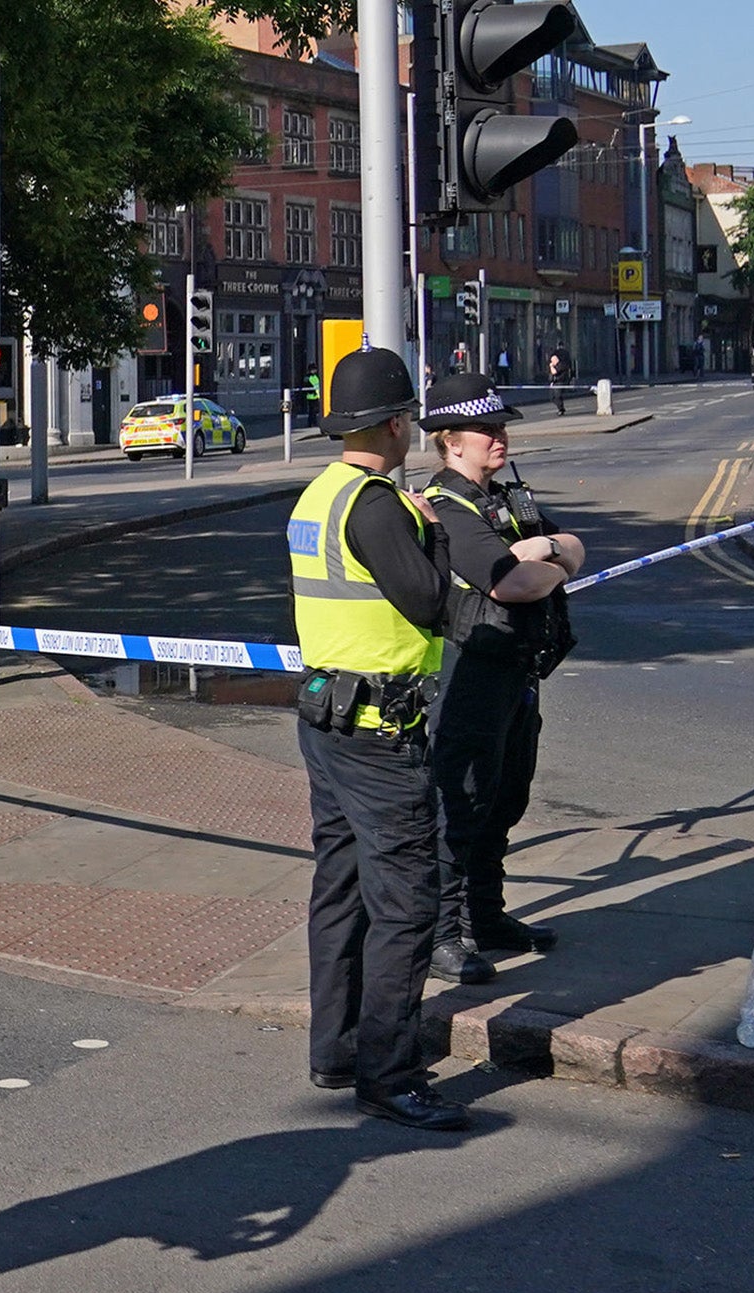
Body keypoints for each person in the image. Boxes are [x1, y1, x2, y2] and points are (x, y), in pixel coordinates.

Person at [286, 343, 469, 1132]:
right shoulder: (379, 506)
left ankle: (337, 1048)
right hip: (379, 732)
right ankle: (388, 1075)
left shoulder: (317, 497)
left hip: (326, 716)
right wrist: (433, 534)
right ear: (396, 426)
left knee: (339, 887)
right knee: (407, 904)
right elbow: (430, 602)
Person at [418, 373, 584, 984]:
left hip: (515, 671)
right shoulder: (447, 507)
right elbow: (507, 583)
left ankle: (487, 917)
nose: (499, 438)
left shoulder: (504, 499)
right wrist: (543, 560)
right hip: (468, 675)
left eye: (501, 427)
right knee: (459, 804)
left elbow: (574, 544)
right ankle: (441, 936)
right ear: (449, 441)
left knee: (506, 797)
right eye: (486, 429)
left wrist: (546, 552)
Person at [549, 351, 567, 415]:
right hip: (554, 383)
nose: (552, 363)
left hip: (560, 382)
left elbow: (554, 372)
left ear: (556, 360)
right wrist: (551, 382)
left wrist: (551, 367)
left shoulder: (560, 365)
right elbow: (551, 375)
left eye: (552, 361)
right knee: (552, 397)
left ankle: (561, 409)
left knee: (557, 396)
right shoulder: (555, 366)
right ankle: (560, 408)